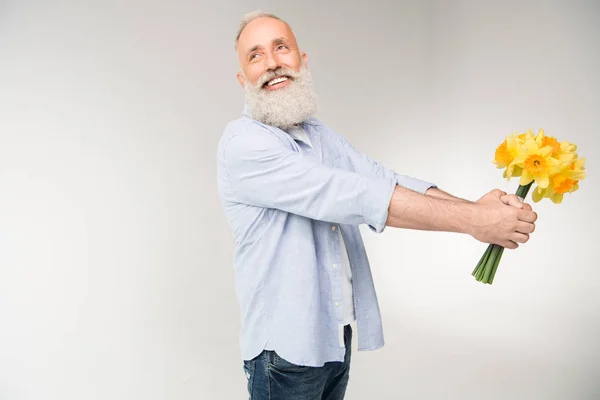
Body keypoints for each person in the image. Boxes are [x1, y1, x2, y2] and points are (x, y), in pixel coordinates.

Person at [216, 10, 537, 400]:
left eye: (281, 48)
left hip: (333, 336)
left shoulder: (318, 134)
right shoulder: (244, 144)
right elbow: (349, 194)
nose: (271, 63)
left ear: (302, 60)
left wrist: (478, 208)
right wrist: (475, 221)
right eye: (255, 55)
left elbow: (382, 180)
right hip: (284, 354)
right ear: (242, 79)